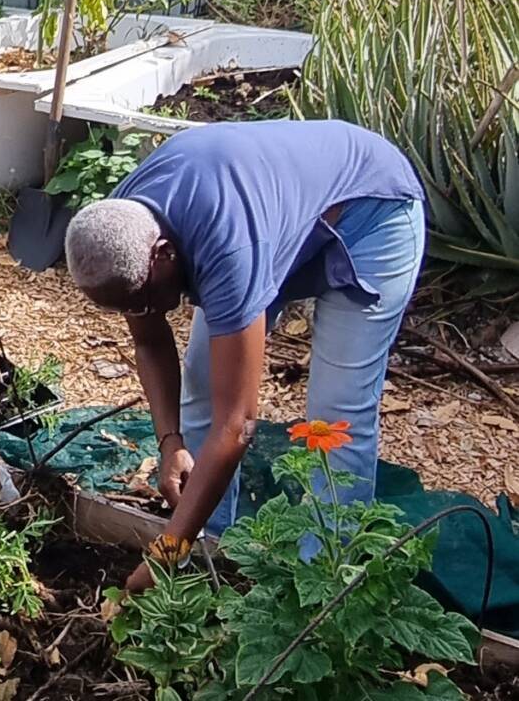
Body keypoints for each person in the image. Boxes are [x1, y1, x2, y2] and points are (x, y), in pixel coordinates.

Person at [62, 119, 425, 592]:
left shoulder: (227, 246)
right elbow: (150, 341)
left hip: (371, 212)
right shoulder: (124, 227)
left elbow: (238, 425)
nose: (142, 314)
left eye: (144, 301)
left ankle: (327, 589)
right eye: (128, 309)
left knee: (335, 416)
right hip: (273, 217)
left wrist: (166, 551)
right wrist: (171, 443)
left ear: (166, 255)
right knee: (201, 380)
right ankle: (213, 551)